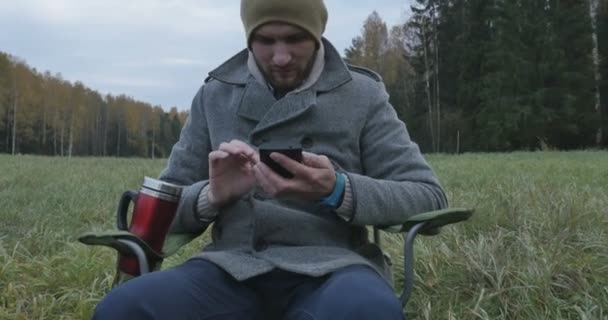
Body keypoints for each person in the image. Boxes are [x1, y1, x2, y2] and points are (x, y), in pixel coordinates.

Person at [93, 0, 447, 319]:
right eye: (266, 40)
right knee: (123, 310)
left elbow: (427, 196)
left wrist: (338, 189)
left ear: (317, 35)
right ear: (249, 38)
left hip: (334, 272)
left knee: (367, 313)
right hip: (230, 270)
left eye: (295, 39)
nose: (280, 57)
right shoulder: (215, 95)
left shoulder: (361, 94)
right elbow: (164, 213)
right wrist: (212, 196)